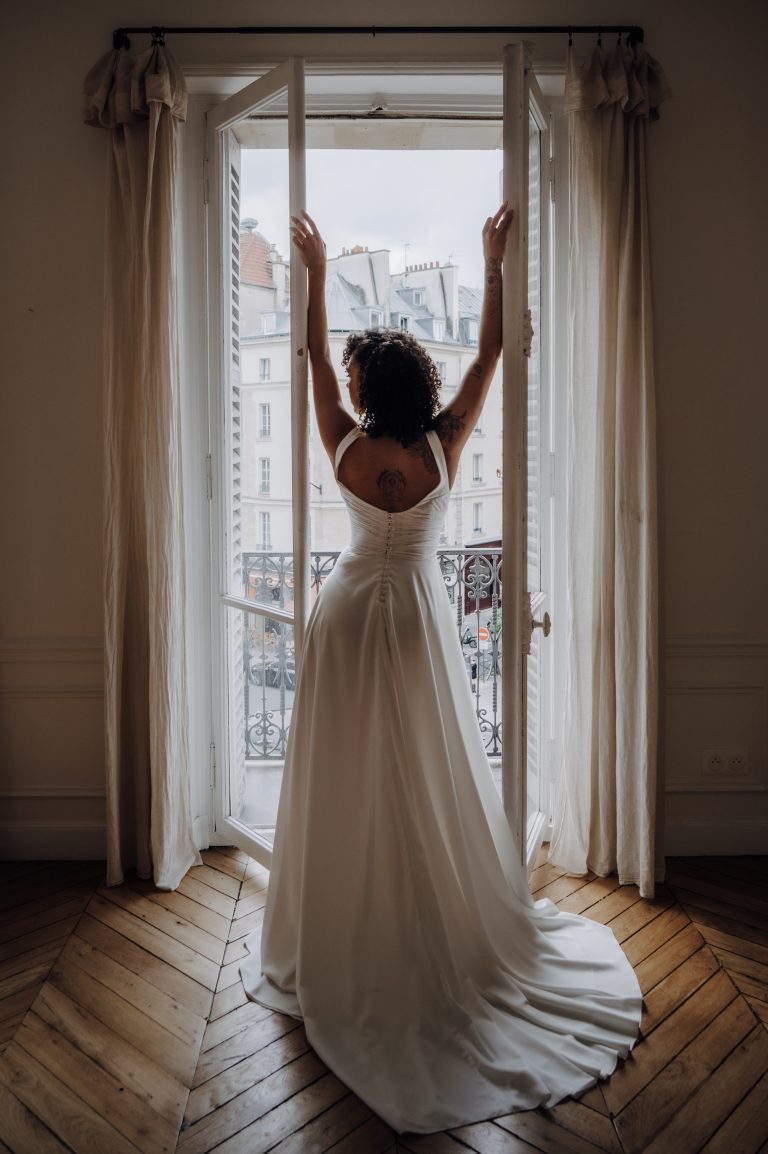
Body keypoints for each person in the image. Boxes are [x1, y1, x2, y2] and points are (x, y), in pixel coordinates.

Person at [239, 205, 642, 1136]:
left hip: (345, 619)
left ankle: (347, 930)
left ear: (363, 387)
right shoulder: (441, 445)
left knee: (348, 775)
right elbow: (492, 348)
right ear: (416, 386)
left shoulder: (344, 443)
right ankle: (432, 929)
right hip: (416, 617)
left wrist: (313, 273)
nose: (338, 377)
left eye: (350, 373)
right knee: (423, 767)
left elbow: (307, 357)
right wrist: (493, 263)